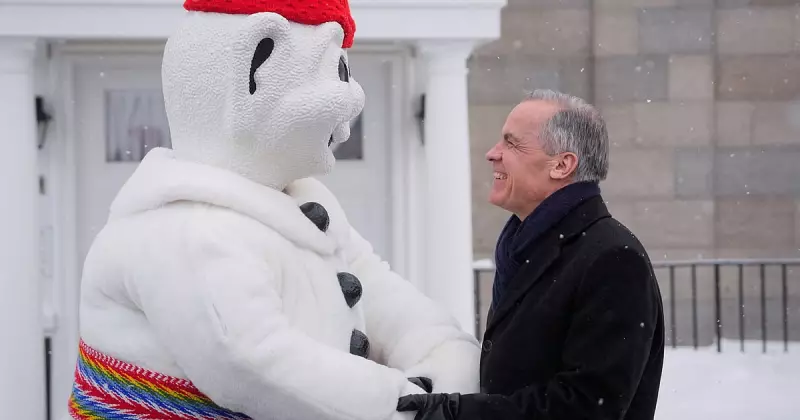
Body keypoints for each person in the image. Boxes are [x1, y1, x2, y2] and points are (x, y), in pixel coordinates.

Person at [68, 1, 480, 419]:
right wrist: (405, 405)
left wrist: (443, 359)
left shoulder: (301, 207)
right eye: (337, 73)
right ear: (256, 69)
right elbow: (256, 362)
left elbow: (378, 290)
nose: (349, 115)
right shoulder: (189, 231)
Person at [397, 89, 665, 420]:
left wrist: (457, 413)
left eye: (512, 144)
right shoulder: (525, 247)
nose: (492, 154)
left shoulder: (614, 259)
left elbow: (585, 407)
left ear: (562, 165)